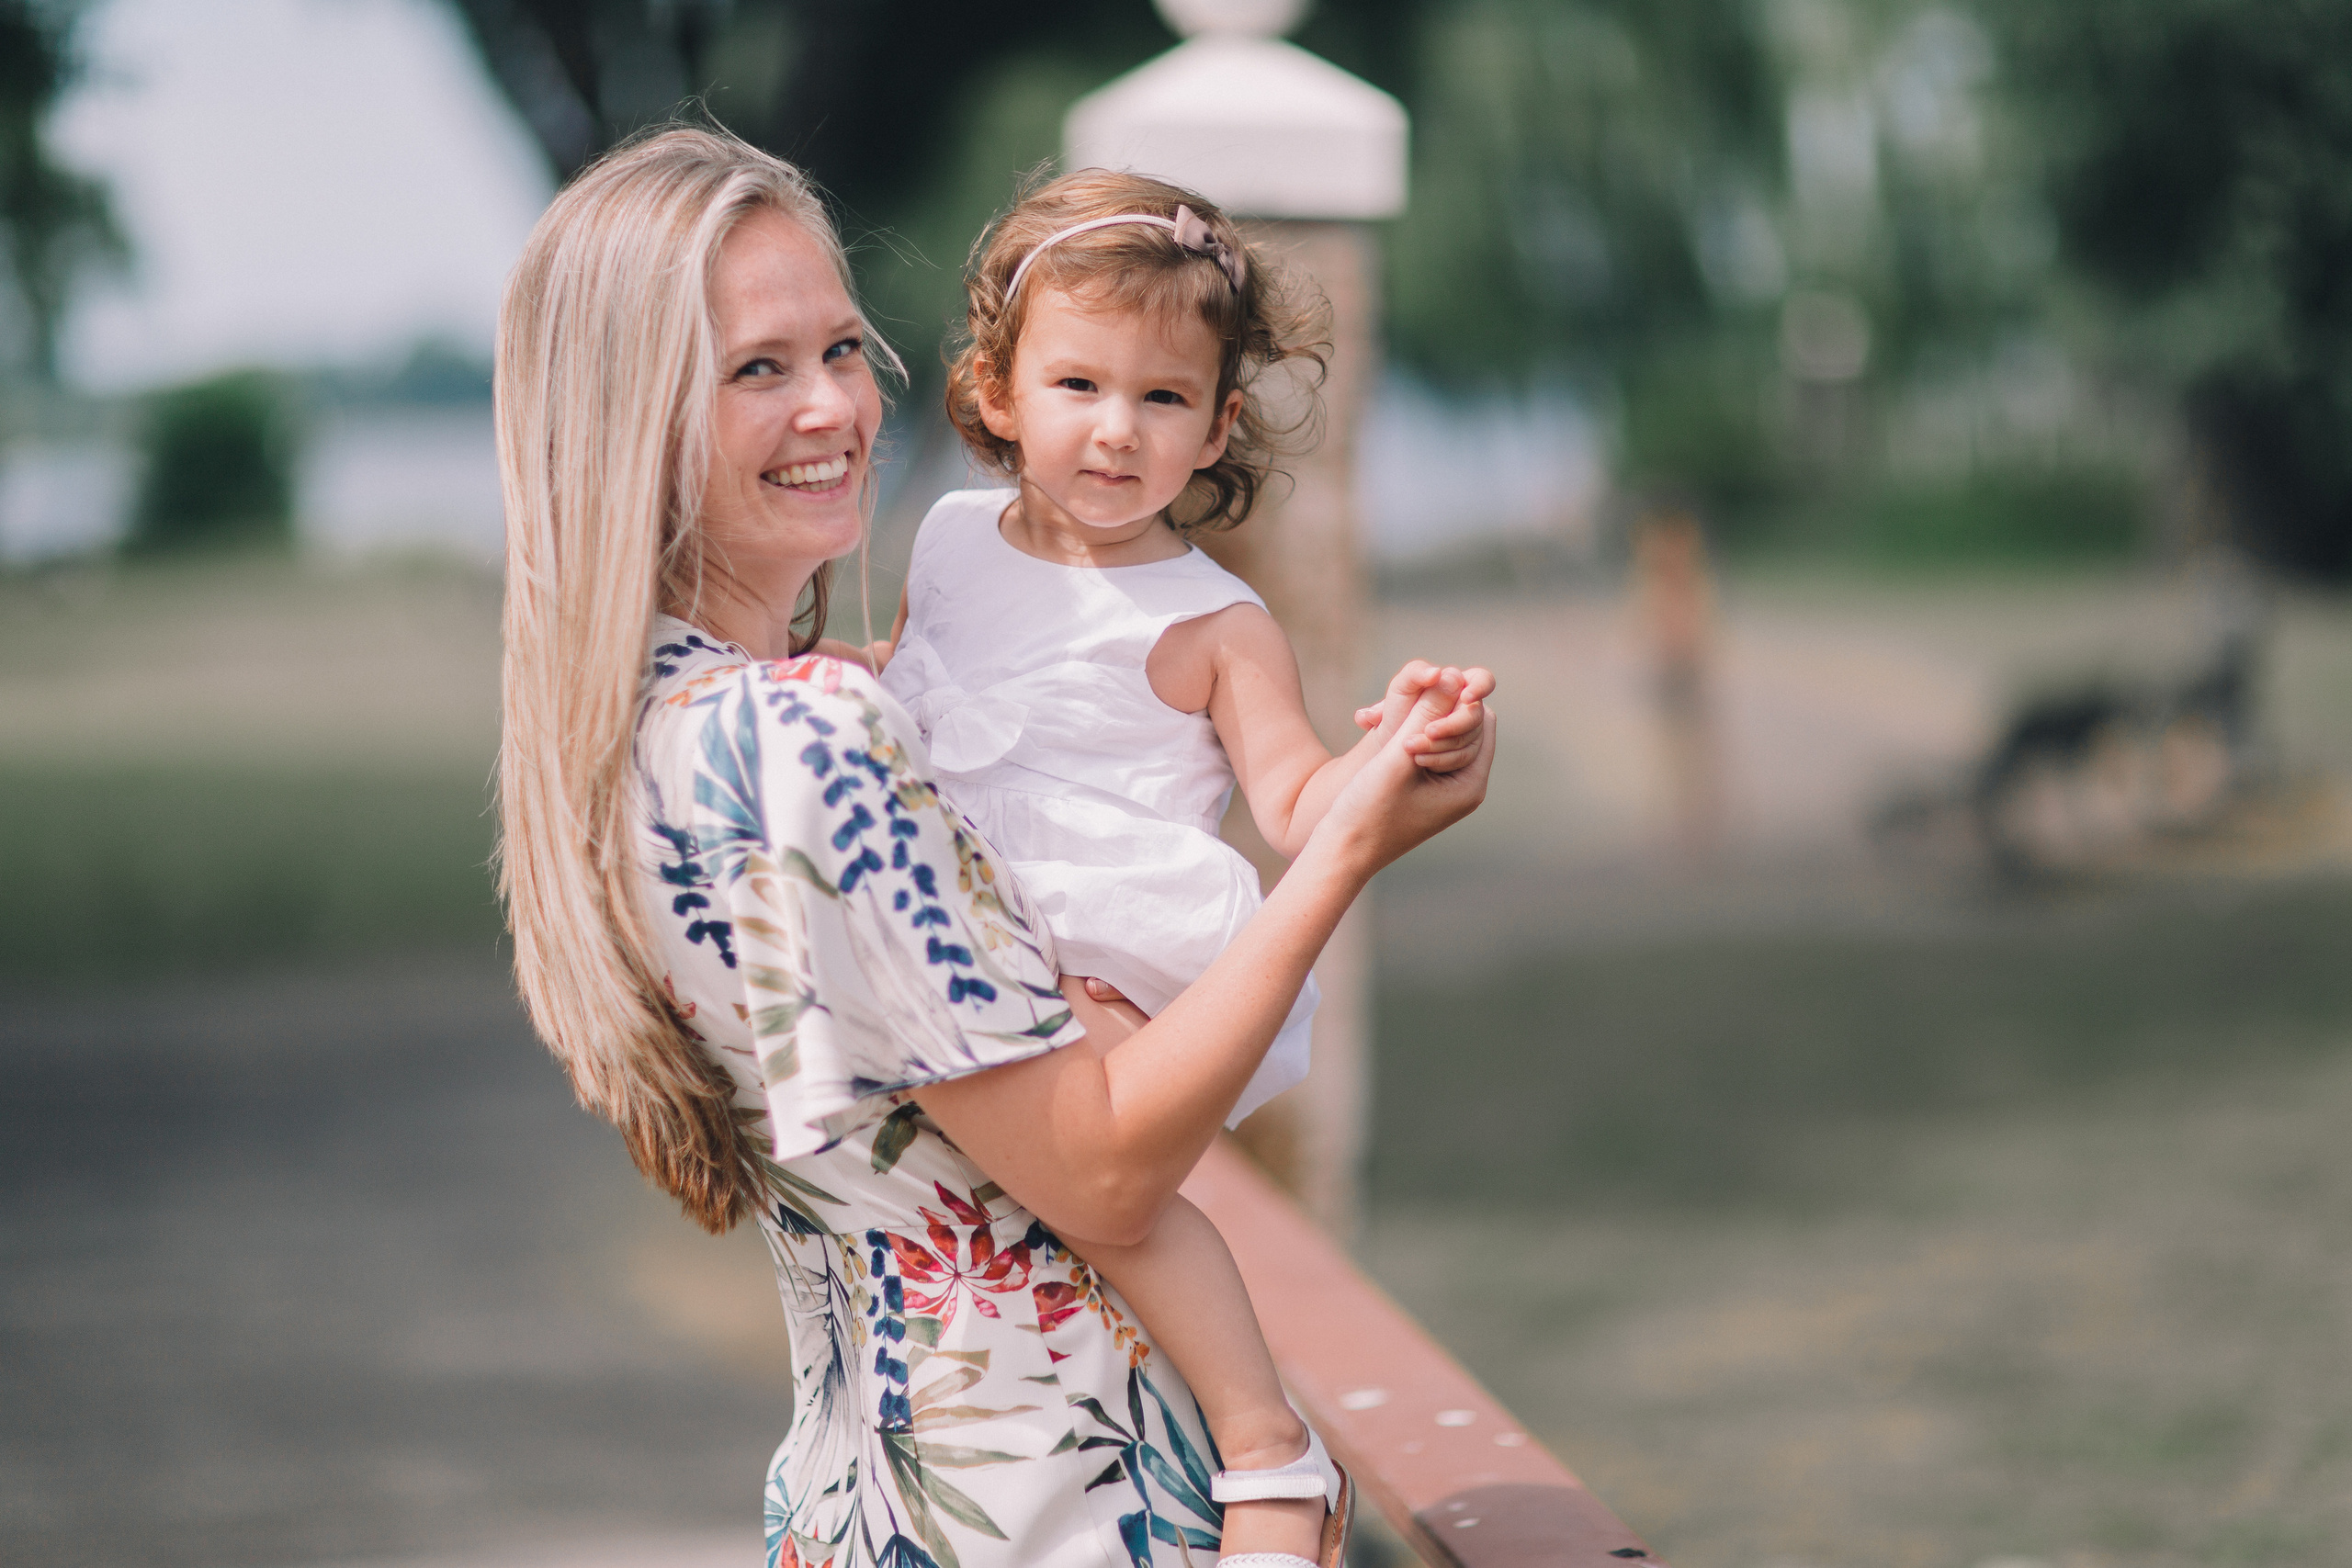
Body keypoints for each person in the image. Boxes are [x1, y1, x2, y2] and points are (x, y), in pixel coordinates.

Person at [494, 127, 1493, 1568]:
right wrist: (1345, 860)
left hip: (861, 1503)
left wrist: (1360, 780)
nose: (836, 404)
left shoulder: (647, 727)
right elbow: (1105, 1180)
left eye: (843, 349)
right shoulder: (812, 735)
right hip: (1052, 1517)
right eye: (759, 367)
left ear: (1215, 424)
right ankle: (1273, 1448)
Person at [871, 170, 1494, 1568]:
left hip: (1101, 942)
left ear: (1217, 425)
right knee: (992, 1196)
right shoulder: (952, 536)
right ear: (997, 391)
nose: (1117, 429)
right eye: (1078, 384)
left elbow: (1298, 801)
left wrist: (1395, 751)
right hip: (953, 917)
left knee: (1125, 1205)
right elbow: (913, 686)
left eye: (1163, 398)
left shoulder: (1215, 622)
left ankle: (1268, 1447)